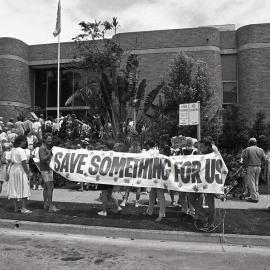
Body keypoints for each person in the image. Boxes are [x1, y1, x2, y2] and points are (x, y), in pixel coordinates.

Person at [189, 138, 217, 232]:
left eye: (202, 146)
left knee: (210, 203)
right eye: (199, 146)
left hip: (210, 182)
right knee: (191, 198)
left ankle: (210, 224)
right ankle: (204, 214)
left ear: (208, 146)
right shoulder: (201, 155)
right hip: (200, 182)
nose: (200, 148)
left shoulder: (214, 154)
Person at [7, 135, 32, 214]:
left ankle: (16, 207)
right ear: (19, 141)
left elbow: (10, 161)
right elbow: (24, 163)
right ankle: (23, 208)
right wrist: (28, 172)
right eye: (23, 141)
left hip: (13, 169)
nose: (25, 142)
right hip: (20, 169)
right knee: (24, 187)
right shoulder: (21, 150)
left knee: (14, 187)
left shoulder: (13, 150)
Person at [143, 141, 166, 222]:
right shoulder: (154, 155)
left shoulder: (161, 157)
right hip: (153, 178)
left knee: (160, 197)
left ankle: (161, 215)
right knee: (152, 196)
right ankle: (149, 211)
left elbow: (163, 167)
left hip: (159, 179)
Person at [39, 133, 59, 212]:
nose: (50, 141)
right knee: (50, 187)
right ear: (45, 139)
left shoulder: (46, 147)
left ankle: (45, 204)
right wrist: (50, 154)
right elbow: (42, 159)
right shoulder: (42, 148)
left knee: (46, 188)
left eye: (51, 139)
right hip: (45, 170)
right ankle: (50, 206)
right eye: (49, 139)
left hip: (48, 169)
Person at [242, 137, 266, 203]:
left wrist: (245, 166)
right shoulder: (260, 149)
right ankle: (256, 195)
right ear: (256, 143)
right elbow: (264, 159)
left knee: (251, 182)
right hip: (258, 167)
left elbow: (246, 158)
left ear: (250, 143)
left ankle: (254, 198)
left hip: (251, 166)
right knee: (256, 182)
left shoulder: (248, 149)